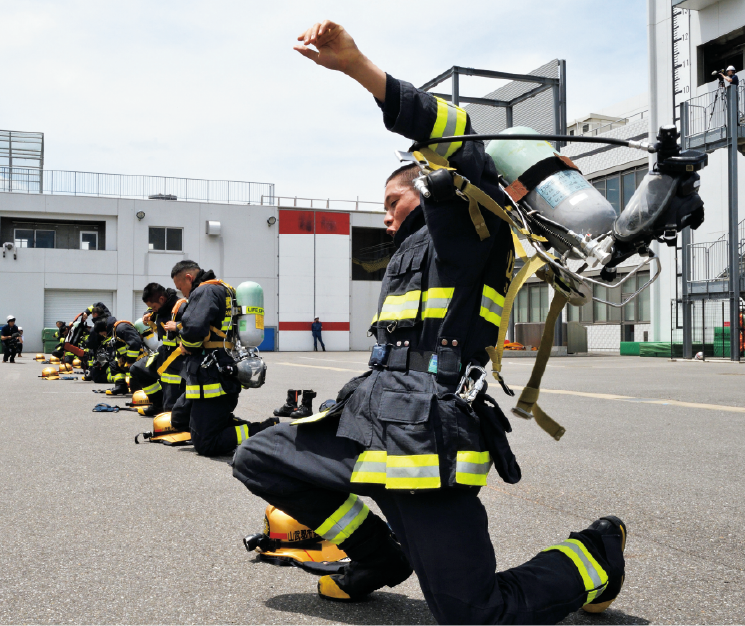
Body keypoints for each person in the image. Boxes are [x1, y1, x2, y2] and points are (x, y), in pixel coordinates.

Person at [232, 21, 626, 625]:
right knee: (259, 457)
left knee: (475, 617)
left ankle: (595, 554)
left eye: (391, 202)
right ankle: (379, 556)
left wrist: (360, 68)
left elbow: (458, 144)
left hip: (427, 438)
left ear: (424, 187)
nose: (385, 218)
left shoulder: (468, 225)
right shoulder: (407, 256)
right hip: (368, 417)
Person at [171, 259, 278, 456]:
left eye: (181, 288)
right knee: (179, 419)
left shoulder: (204, 291)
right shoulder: (225, 289)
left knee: (205, 444)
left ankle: (266, 432)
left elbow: (194, 329)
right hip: (220, 365)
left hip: (211, 374)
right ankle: (225, 425)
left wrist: (185, 344)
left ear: (189, 277)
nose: (183, 294)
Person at [129, 282, 186, 417]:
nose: (152, 310)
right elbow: (156, 311)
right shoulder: (160, 308)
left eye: (153, 307)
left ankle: (173, 414)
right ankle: (158, 404)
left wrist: (178, 325)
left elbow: (197, 326)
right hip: (164, 353)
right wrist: (147, 314)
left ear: (162, 299)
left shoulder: (182, 307)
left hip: (179, 358)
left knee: (170, 406)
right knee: (137, 369)